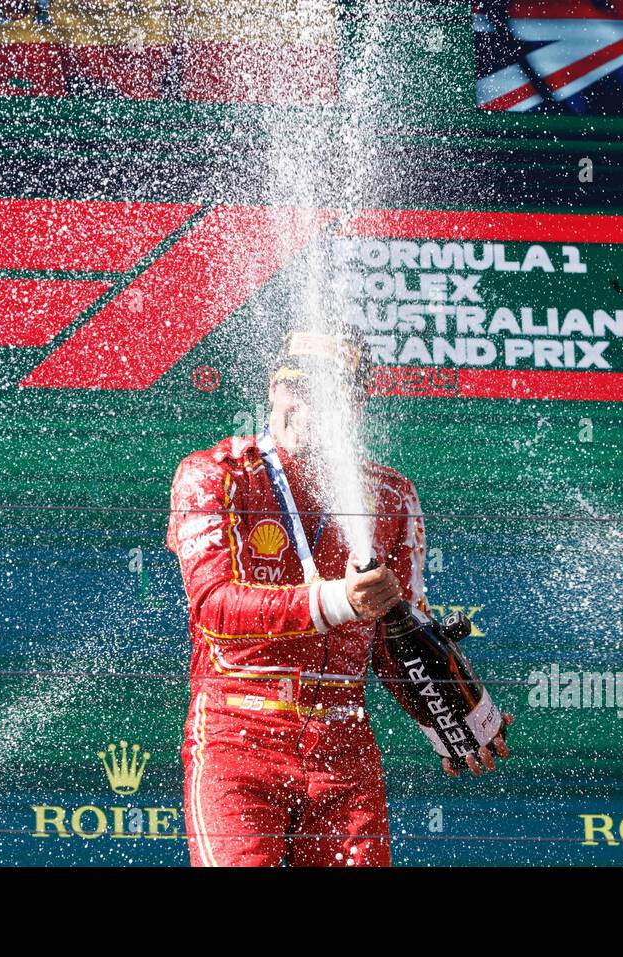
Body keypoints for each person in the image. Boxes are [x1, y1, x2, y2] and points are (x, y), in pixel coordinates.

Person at [165, 328, 511, 867]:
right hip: (238, 731)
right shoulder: (215, 475)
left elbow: (397, 638)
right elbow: (214, 607)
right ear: (273, 390)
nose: (303, 402)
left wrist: (450, 711)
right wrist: (340, 600)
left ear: (353, 407)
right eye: (291, 384)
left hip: (343, 738)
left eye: (326, 393)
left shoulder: (393, 495)